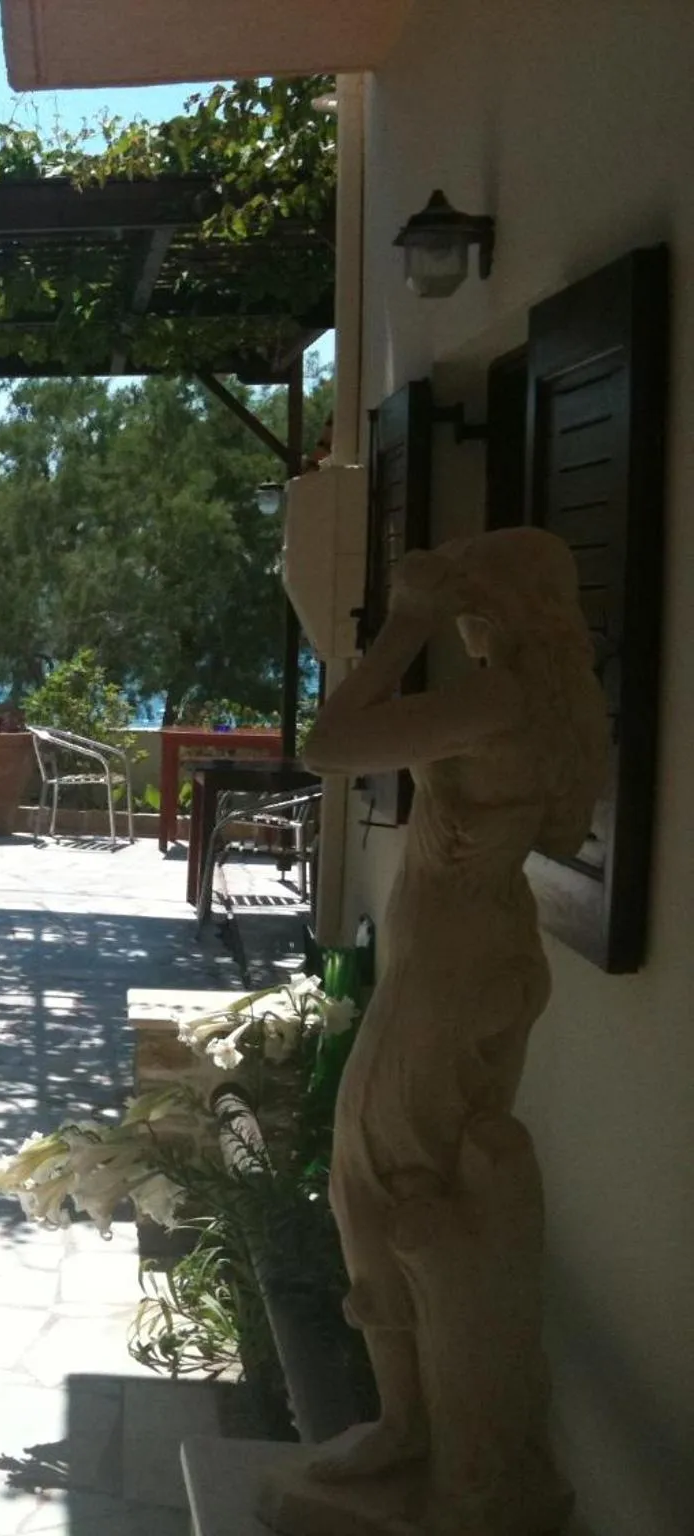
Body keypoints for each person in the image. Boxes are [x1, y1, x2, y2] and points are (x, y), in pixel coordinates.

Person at [288, 527, 607, 1535]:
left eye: (471, 594)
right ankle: (434, 1432)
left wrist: (404, 626)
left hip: (447, 976)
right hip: (484, 958)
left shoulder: (496, 700)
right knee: (425, 1186)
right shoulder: (553, 702)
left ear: (499, 606)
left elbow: (327, 745)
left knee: (374, 1181)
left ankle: (412, 1429)